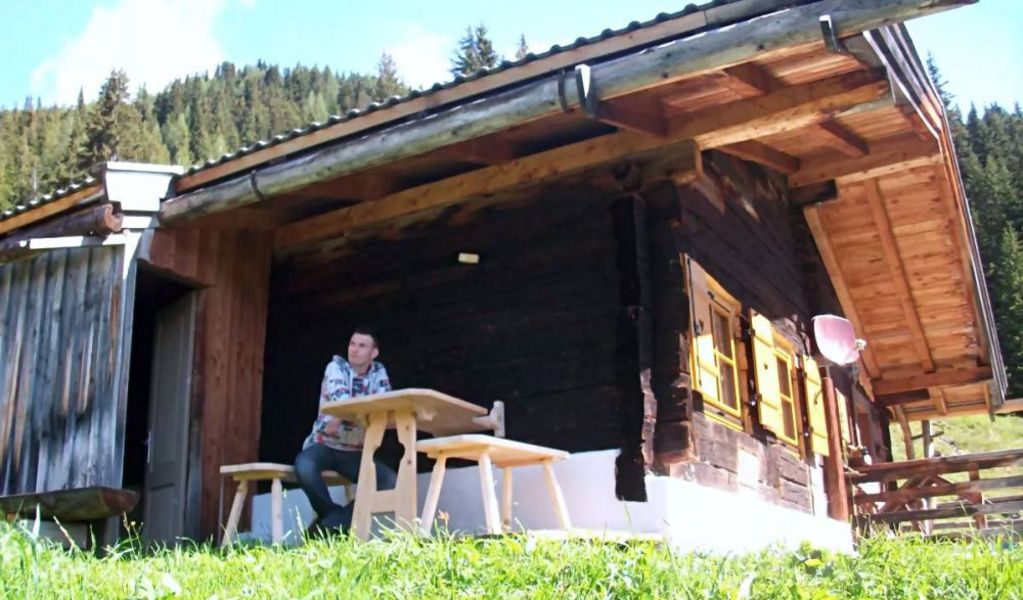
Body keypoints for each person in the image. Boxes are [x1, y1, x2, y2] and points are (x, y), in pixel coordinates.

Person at [294, 327, 397, 534]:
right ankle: (334, 518)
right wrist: (364, 412)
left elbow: (386, 404)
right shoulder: (336, 367)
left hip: (354, 452)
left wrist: (345, 414)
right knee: (304, 466)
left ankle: (330, 525)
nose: (355, 349)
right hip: (324, 444)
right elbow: (342, 401)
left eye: (362, 345)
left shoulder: (379, 372)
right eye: (352, 344)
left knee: (390, 481)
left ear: (373, 353)